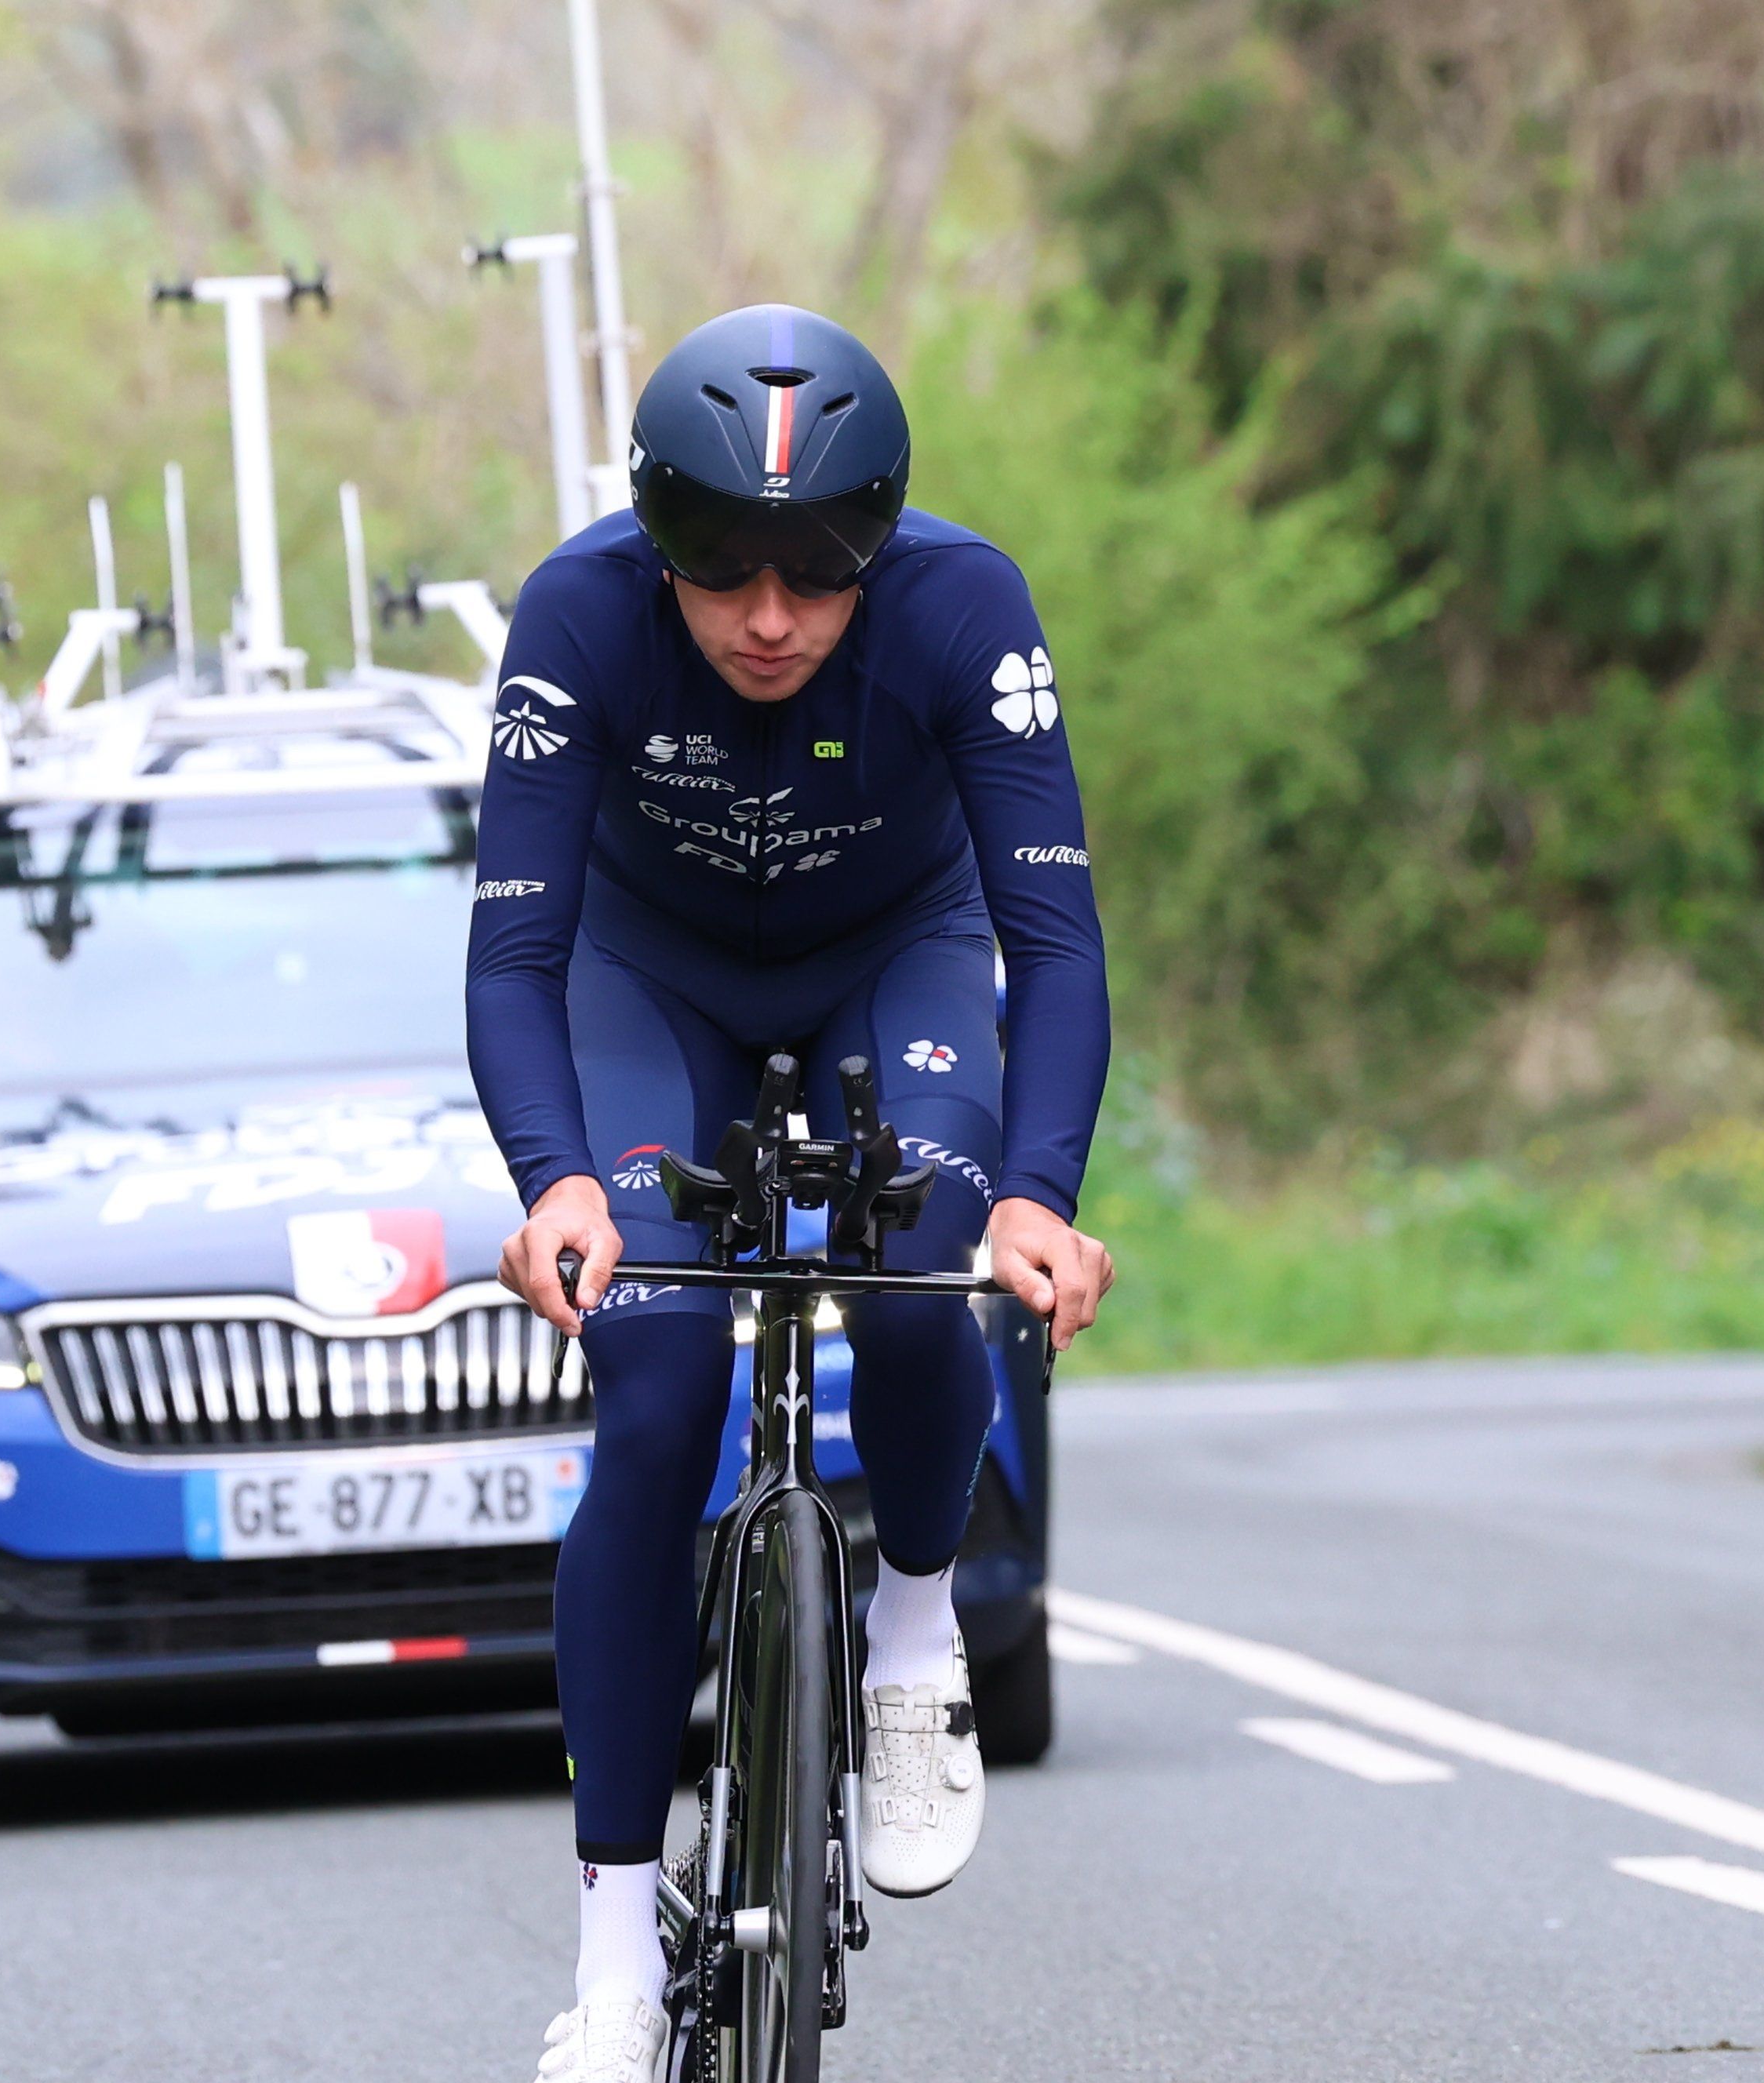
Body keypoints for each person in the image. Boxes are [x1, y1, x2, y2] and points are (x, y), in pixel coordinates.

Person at [467, 303, 1117, 2083]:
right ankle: (610, 1957)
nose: (768, 618)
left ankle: (910, 1626)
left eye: (817, 573)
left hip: (892, 960)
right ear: (656, 535)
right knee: (658, 1376)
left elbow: (1051, 940)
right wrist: (560, 1183)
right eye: (723, 570)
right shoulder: (577, 614)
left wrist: (1035, 1199)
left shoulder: (966, 607)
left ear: (881, 541)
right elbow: (516, 958)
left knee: (926, 1261)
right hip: (642, 981)